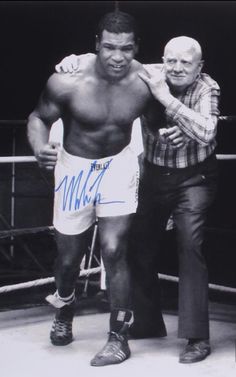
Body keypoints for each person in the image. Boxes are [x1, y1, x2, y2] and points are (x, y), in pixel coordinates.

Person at [56, 35, 220, 363]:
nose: (176, 68)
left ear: (199, 67)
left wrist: (166, 100)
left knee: (190, 245)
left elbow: (206, 131)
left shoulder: (206, 87)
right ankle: (145, 323)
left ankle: (197, 339)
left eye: (186, 63)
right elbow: (111, 56)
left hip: (195, 178)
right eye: (170, 60)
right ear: (162, 59)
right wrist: (75, 57)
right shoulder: (148, 71)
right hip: (154, 175)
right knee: (134, 244)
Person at [27, 10, 173, 367]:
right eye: (109, 47)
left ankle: (118, 337)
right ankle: (64, 306)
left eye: (126, 48)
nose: (117, 57)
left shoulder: (145, 82)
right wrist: (39, 148)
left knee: (113, 248)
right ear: (97, 44)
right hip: (75, 169)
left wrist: (168, 130)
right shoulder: (68, 81)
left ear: (136, 47)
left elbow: (159, 119)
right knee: (68, 259)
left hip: (118, 167)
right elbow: (38, 118)